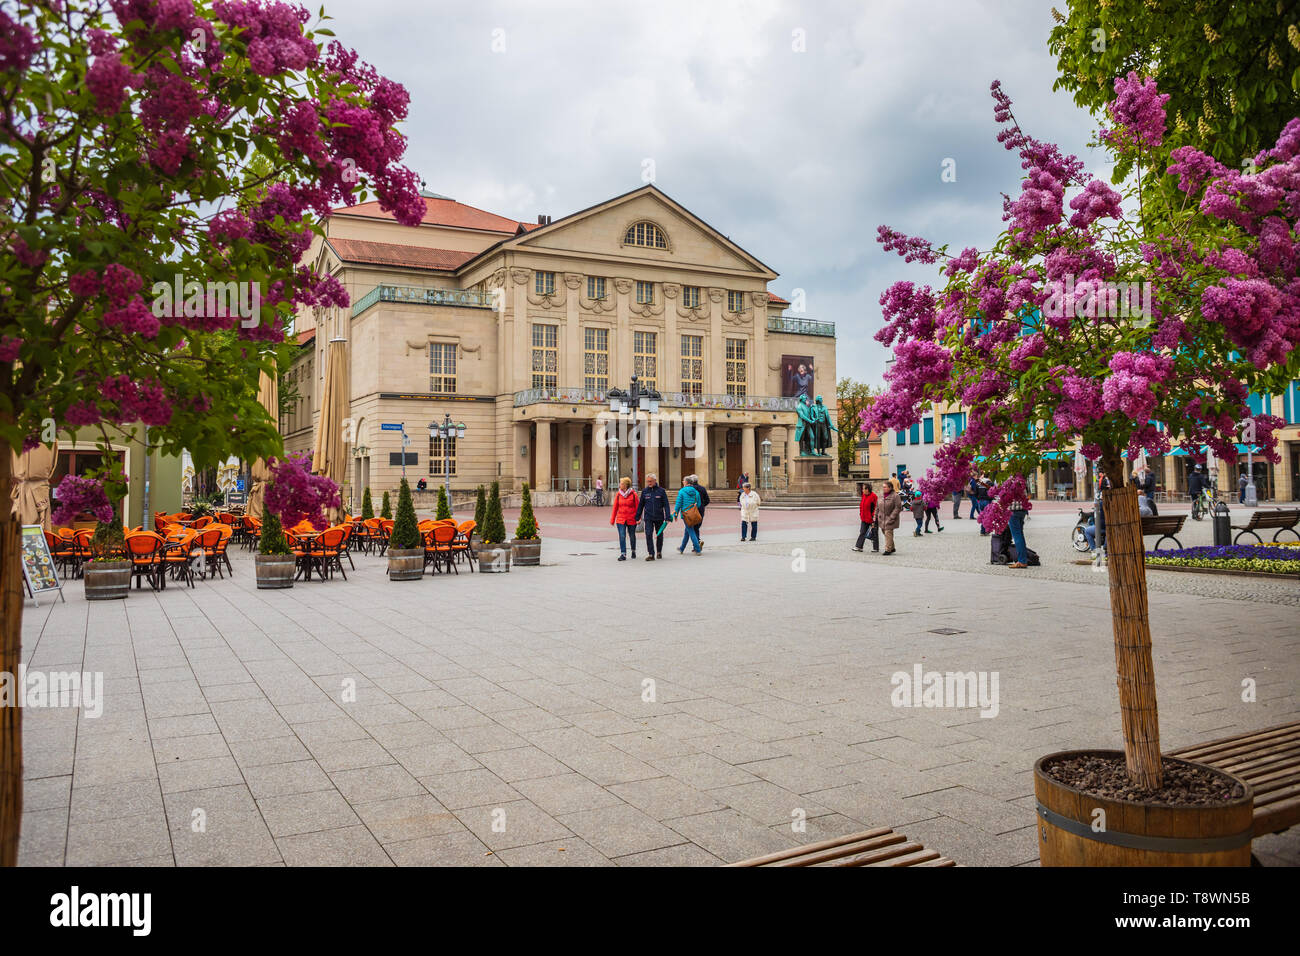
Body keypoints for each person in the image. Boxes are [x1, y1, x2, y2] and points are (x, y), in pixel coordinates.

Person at [635, 473, 673, 561]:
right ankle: (651, 554)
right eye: (648, 481)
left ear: (655, 481)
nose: (649, 483)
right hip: (648, 518)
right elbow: (641, 505)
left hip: (659, 517)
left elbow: (666, 505)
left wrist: (667, 517)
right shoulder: (644, 491)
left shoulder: (661, 491)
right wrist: (637, 517)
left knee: (659, 535)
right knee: (648, 534)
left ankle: (659, 551)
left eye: (651, 481)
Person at [608, 477, 638, 561]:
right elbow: (615, 508)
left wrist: (638, 518)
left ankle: (633, 550)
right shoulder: (618, 494)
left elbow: (637, 507)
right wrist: (612, 519)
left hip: (631, 518)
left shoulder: (633, 494)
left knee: (632, 535)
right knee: (622, 535)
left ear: (625, 485)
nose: (619, 485)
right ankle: (623, 554)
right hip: (621, 519)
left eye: (621, 483)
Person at [673, 478, 704, 555]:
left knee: (690, 531)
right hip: (693, 514)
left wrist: (675, 514)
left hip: (686, 514)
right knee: (687, 531)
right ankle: (682, 548)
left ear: (686, 482)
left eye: (683, 480)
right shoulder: (696, 492)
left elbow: (678, 504)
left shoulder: (682, 491)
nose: (682, 481)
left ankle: (697, 549)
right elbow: (699, 504)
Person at [877, 480, 901, 555]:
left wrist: (892, 517)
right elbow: (877, 507)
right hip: (881, 518)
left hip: (890, 518)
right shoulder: (880, 495)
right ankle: (892, 547)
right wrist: (875, 516)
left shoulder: (895, 496)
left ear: (890, 488)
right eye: (883, 487)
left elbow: (898, 507)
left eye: (885, 487)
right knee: (886, 533)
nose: (883, 488)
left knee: (888, 533)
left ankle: (888, 550)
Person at [853, 482, 878, 552]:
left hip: (871, 518)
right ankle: (859, 546)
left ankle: (875, 548)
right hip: (864, 518)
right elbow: (862, 506)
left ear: (867, 489)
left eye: (863, 489)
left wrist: (874, 517)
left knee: (874, 533)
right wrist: (861, 514)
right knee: (862, 532)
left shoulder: (874, 496)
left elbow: (876, 507)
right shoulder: (864, 495)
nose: (862, 490)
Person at [1007, 495, 1030, 568]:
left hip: (1014, 510)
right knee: (1020, 535)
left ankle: (1022, 561)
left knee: (1017, 536)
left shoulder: (1010, 483)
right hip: (1022, 510)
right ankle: (1023, 559)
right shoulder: (1022, 483)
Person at [693, 476, 711, 545]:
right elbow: (707, 500)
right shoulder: (702, 488)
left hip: (692, 510)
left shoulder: (691, 489)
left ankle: (697, 543)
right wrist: (702, 506)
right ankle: (696, 543)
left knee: (693, 528)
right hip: (701, 510)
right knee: (697, 527)